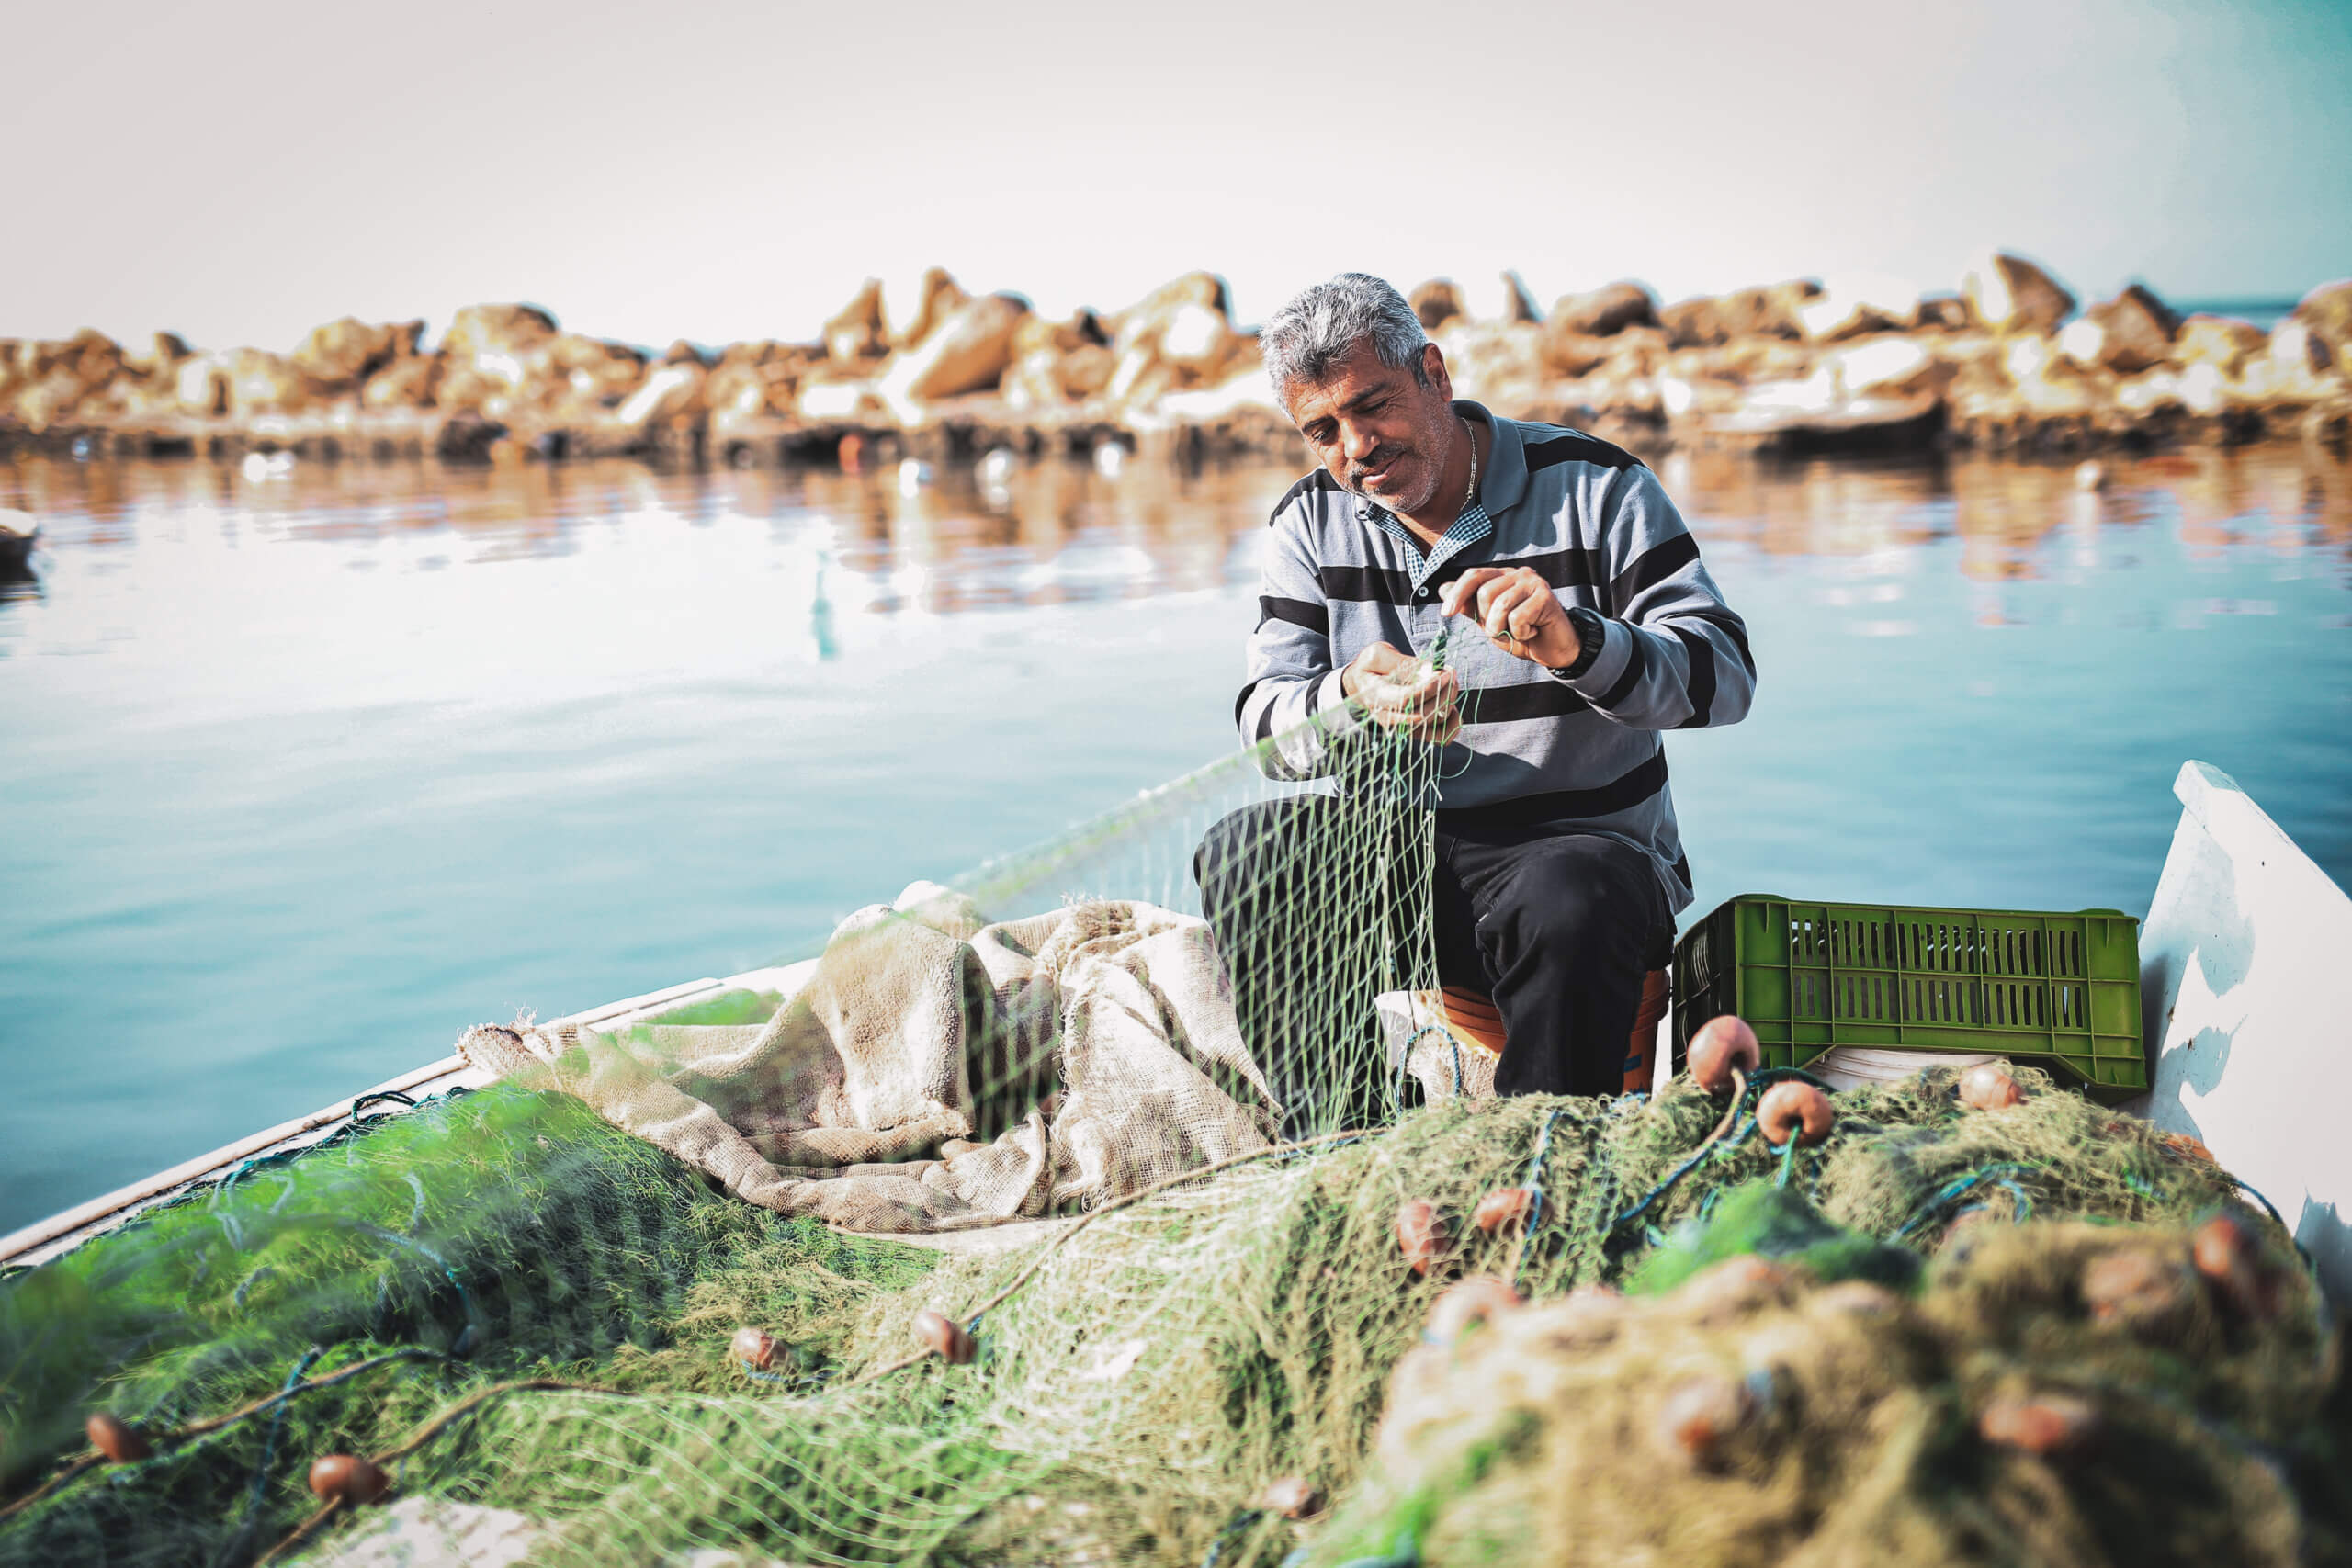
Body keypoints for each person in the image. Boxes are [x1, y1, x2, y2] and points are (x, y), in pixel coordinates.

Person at [1193, 273, 1756, 1117]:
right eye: (1323, 430)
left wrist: (1579, 644)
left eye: (1372, 405)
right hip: (1405, 862)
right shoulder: (1309, 523)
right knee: (1249, 855)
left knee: (1573, 888)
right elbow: (1264, 725)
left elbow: (1725, 677)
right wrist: (1348, 695)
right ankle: (1347, 1144)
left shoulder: (1599, 486)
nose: (1357, 447)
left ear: (1435, 373)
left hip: (1585, 863)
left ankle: (1535, 1161)